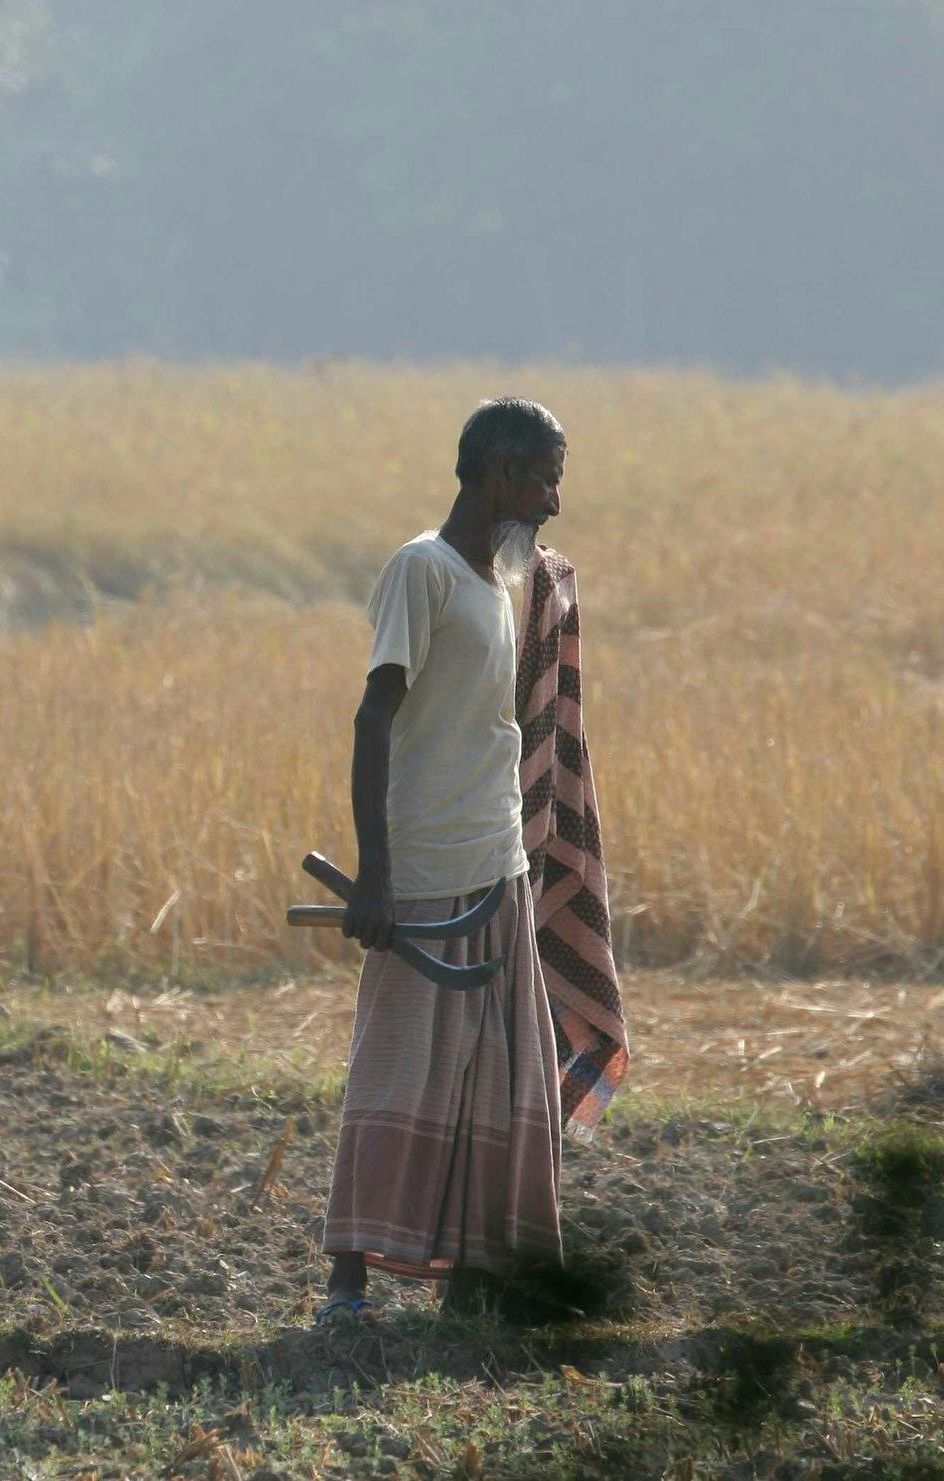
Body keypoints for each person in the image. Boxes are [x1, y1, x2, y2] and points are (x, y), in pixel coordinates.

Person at [317, 396, 596, 1324]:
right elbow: (373, 718)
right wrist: (376, 873)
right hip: (428, 867)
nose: (553, 501)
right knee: (399, 1063)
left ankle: (476, 1288)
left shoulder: (499, 583)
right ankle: (346, 1290)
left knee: (500, 1072)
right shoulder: (422, 571)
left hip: (497, 862)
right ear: (501, 471)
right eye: (546, 478)